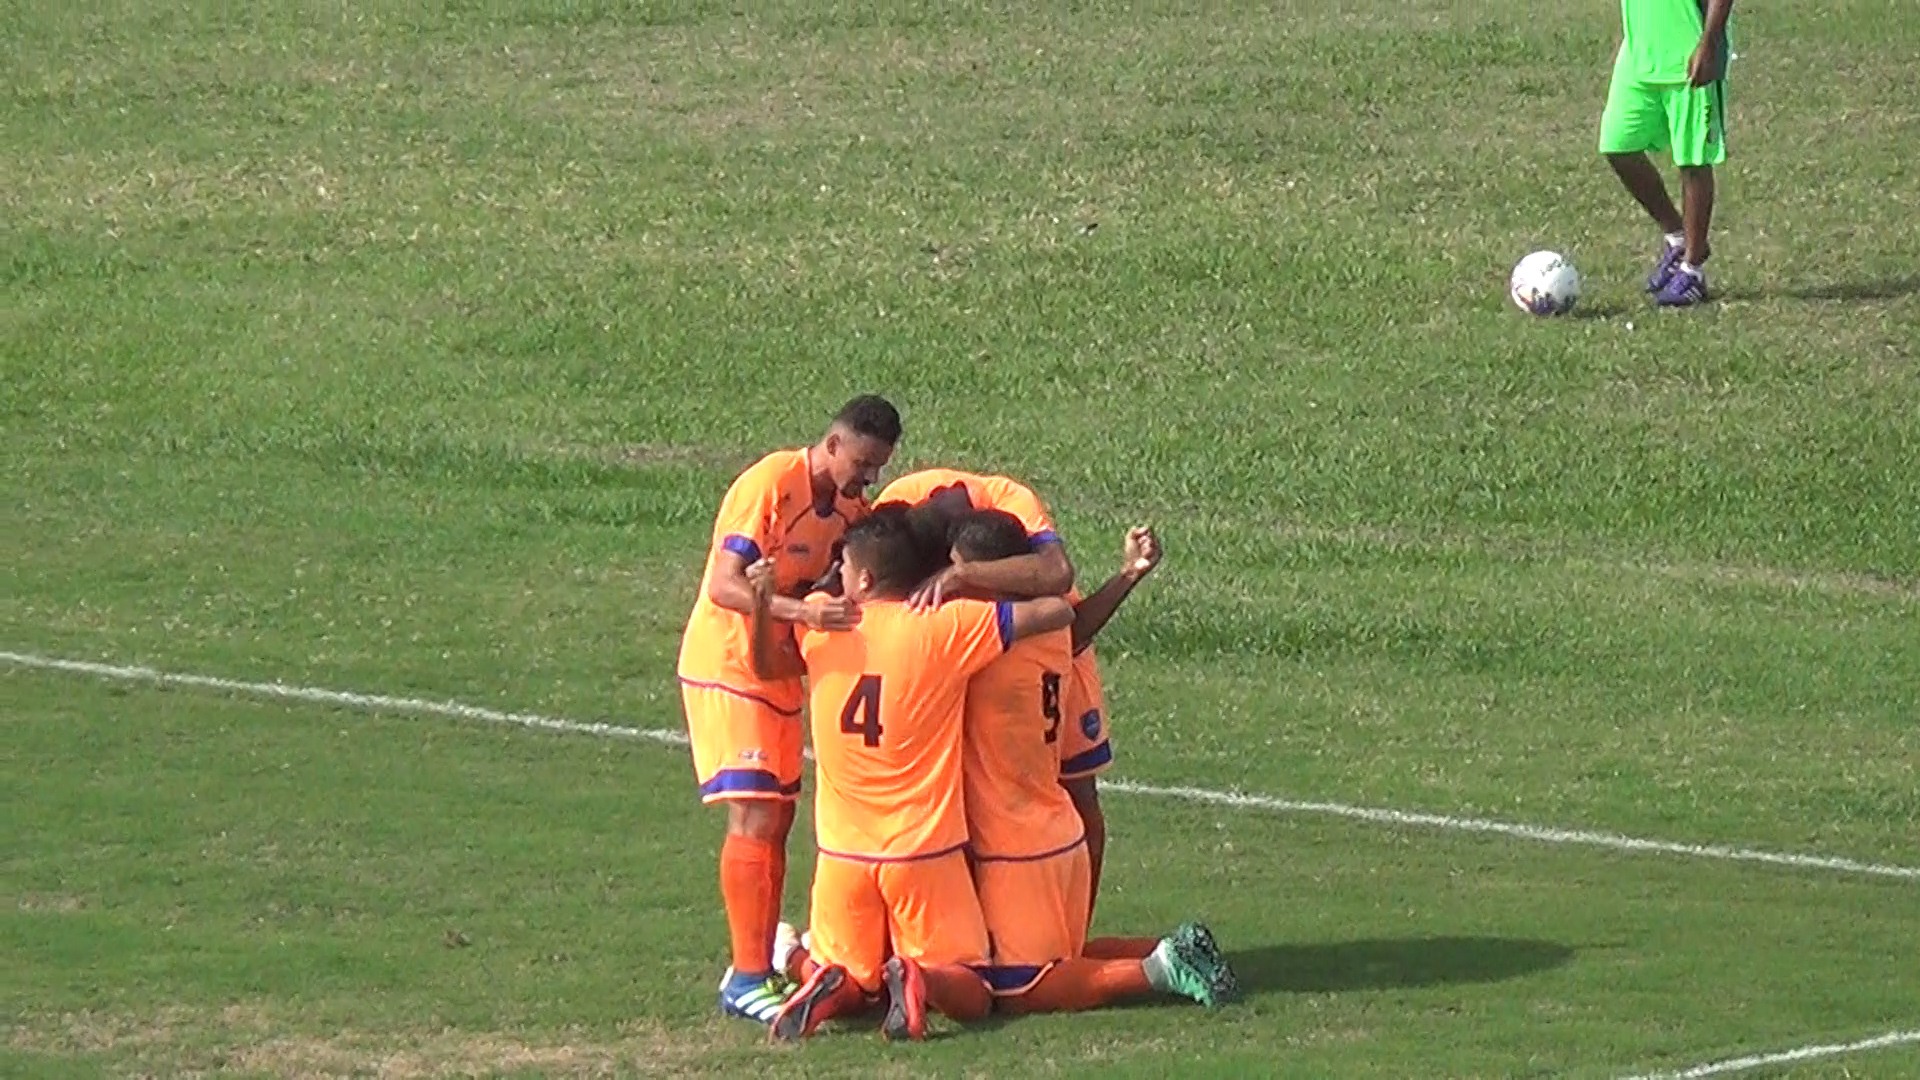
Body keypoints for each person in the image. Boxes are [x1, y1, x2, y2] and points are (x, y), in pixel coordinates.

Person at [745, 508, 1078, 1042]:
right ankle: (919, 977)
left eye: (844, 567)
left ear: (865, 579)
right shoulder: (944, 629)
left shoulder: (819, 622)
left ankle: (821, 977)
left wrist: (766, 603)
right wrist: (967, 577)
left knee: (857, 979)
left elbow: (766, 666)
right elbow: (1054, 612)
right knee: (973, 990)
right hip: (925, 853)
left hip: (844, 855)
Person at [950, 510, 1240, 1013]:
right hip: (1060, 834)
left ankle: (1160, 967)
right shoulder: (1048, 628)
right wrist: (1128, 574)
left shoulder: (978, 642)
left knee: (1019, 988)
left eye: (961, 571)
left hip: (1016, 849)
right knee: (1064, 955)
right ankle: (1172, 947)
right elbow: (1079, 625)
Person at [673, 394, 901, 1024]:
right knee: (753, 816)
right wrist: (803, 612)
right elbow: (723, 585)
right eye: (862, 462)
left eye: (878, 466)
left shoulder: (853, 508)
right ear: (832, 444)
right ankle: (745, 977)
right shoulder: (770, 483)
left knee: (776, 821)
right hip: (729, 666)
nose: (867, 478)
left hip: (779, 674)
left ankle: (758, 960)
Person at [873, 468, 1117, 918]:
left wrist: (959, 577)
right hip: (1004, 669)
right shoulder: (901, 503)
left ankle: (1074, 932)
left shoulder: (1011, 503)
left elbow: (1058, 579)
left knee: (1076, 797)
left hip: (1045, 682)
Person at [1599, 0, 1735, 307]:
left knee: (1693, 162)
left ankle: (1693, 269)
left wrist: (1709, 42)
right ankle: (1678, 237)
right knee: (1617, 145)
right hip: (1639, 54)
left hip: (1690, 55)